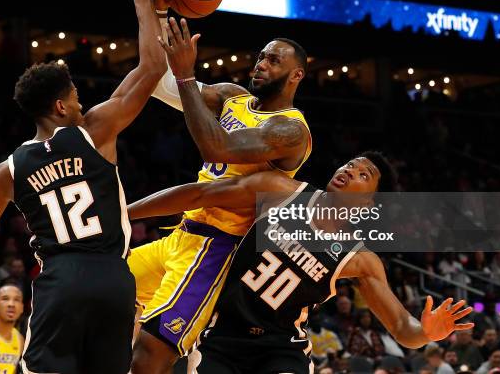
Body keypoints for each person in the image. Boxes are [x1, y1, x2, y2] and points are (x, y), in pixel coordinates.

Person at [0, 0, 170, 374]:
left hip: (61, 281)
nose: (82, 102)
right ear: (61, 107)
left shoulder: (6, 171)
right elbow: (153, 66)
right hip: (115, 280)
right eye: (76, 97)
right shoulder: (96, 130)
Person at [128, 153, 475, 374]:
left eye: (363, 174)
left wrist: (428, 333)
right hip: (222, 335)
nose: (349, 170)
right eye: (350, 164)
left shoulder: (359, 260)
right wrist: (124, 214)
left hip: (281, 348)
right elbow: (199, 194)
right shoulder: (280, 191)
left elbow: (402, 327)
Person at [129, 15, 312, 371]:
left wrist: (186, 75)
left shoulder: (291, 130)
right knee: (100, 283)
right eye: (261, 56)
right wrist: (154, 10)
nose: (261, 64)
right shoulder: (231, 97)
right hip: (181, 235)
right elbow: (158, 81)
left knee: (150, 355)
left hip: (217, 250)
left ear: (296, 75)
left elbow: (218, 148)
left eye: (274, 60)